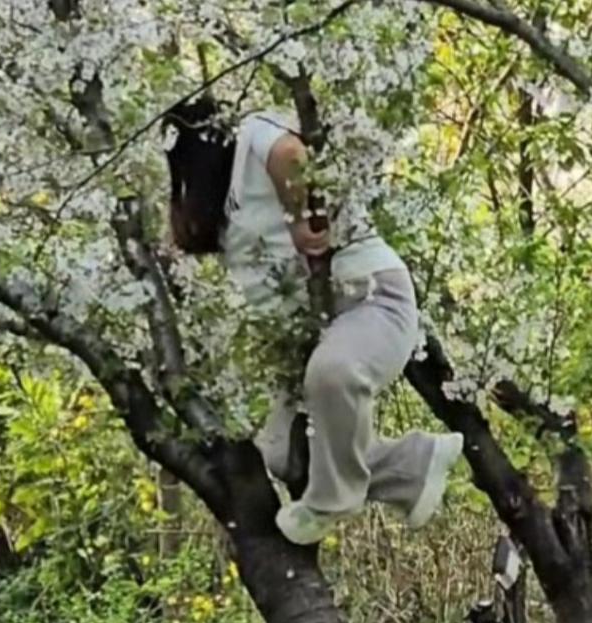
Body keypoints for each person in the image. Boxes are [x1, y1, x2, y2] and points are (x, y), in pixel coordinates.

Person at [164, 97, 463, 546]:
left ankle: (332, 499)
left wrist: (300, 216)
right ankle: (411, 465)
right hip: (306, 335)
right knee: (282, 454)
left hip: (369, 297)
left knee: (334, 373)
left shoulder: (250, 134)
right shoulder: (222, 205)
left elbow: (291, 154)